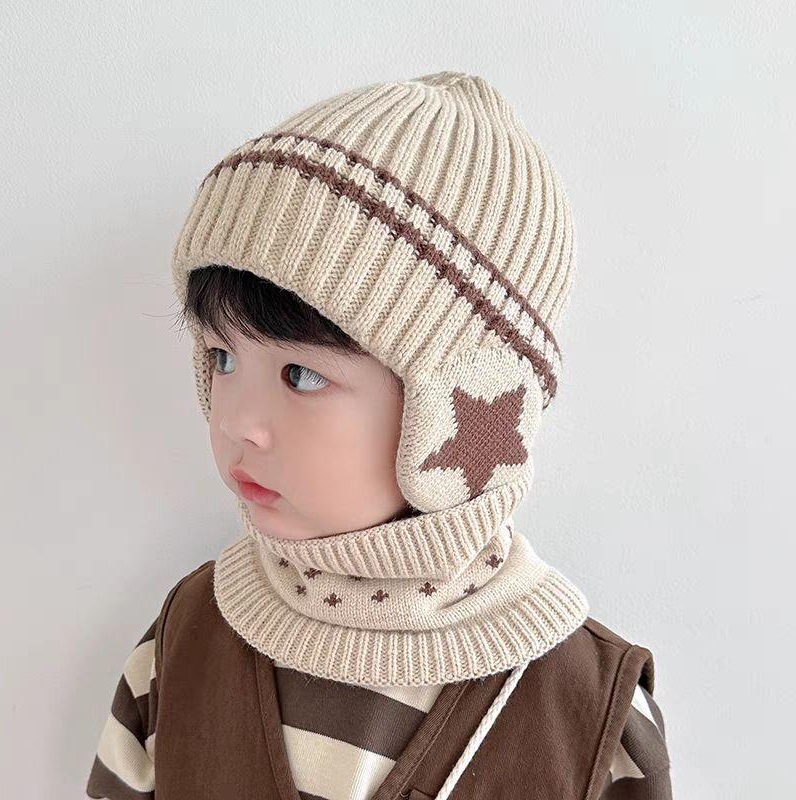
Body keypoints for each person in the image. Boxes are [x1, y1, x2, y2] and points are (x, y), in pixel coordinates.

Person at [85, 70, 672, 799]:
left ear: (455, 402)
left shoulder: (591, 718)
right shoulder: (184, 640)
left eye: (301, 374)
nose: (235, 421)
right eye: (222, 357)